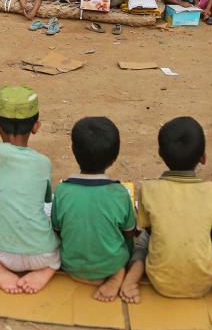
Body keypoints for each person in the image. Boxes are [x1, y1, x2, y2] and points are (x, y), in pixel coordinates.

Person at [120, 117, 212, 312]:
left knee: (142, 243)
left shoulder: (149, 189)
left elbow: (149, 230)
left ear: (160, 154)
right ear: (203, 157)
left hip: (158, 279)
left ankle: (131, 281)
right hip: (205, 281)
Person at [0, 85, 60, 295]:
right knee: (58, 241)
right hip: (44, 255)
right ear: (36, 126)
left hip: (4, 254)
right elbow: (44, 198)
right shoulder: (43, 162)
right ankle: (49, 270)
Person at [51, 117, 134, 302]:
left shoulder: (63, 190)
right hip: (111, 265)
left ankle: (92, 273)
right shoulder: (120, 193)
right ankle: (118, 274)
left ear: (73, 151)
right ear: (114, 159)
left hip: (70, 266)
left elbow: (57, 229)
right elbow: (128, 233)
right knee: (134, 245)